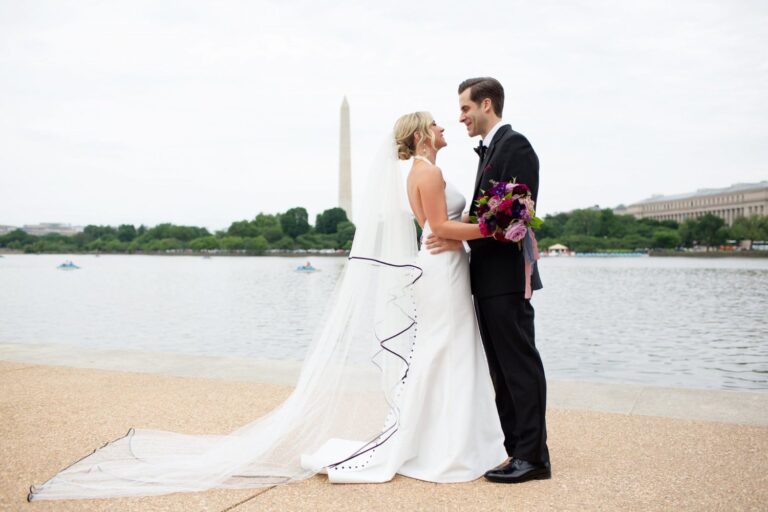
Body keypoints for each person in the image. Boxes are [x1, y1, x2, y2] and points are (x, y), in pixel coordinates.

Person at [27, 111, 506, 501]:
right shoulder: (430, 171)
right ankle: (444, 442)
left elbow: (431, 228)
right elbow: (439, 228)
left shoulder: (415, 172)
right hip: (441, 269)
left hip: (437, 268)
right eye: (439, 124)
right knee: (447, 351)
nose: (446, 127)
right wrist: (496, 227)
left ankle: (438, 437)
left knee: (442, 353)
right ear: (423, 134)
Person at [426, 77, 550, 483]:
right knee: (501, 367)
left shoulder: (515, 145)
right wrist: (454, 232)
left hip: (506, 276)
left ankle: (533, 456)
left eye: (465, 108)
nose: (460, 117)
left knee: (518, 364)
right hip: (487, 277)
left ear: (486, 104)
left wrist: (451, 230)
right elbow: (486, 213)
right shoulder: (492, 149)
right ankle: (516, 449)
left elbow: (512, 214)